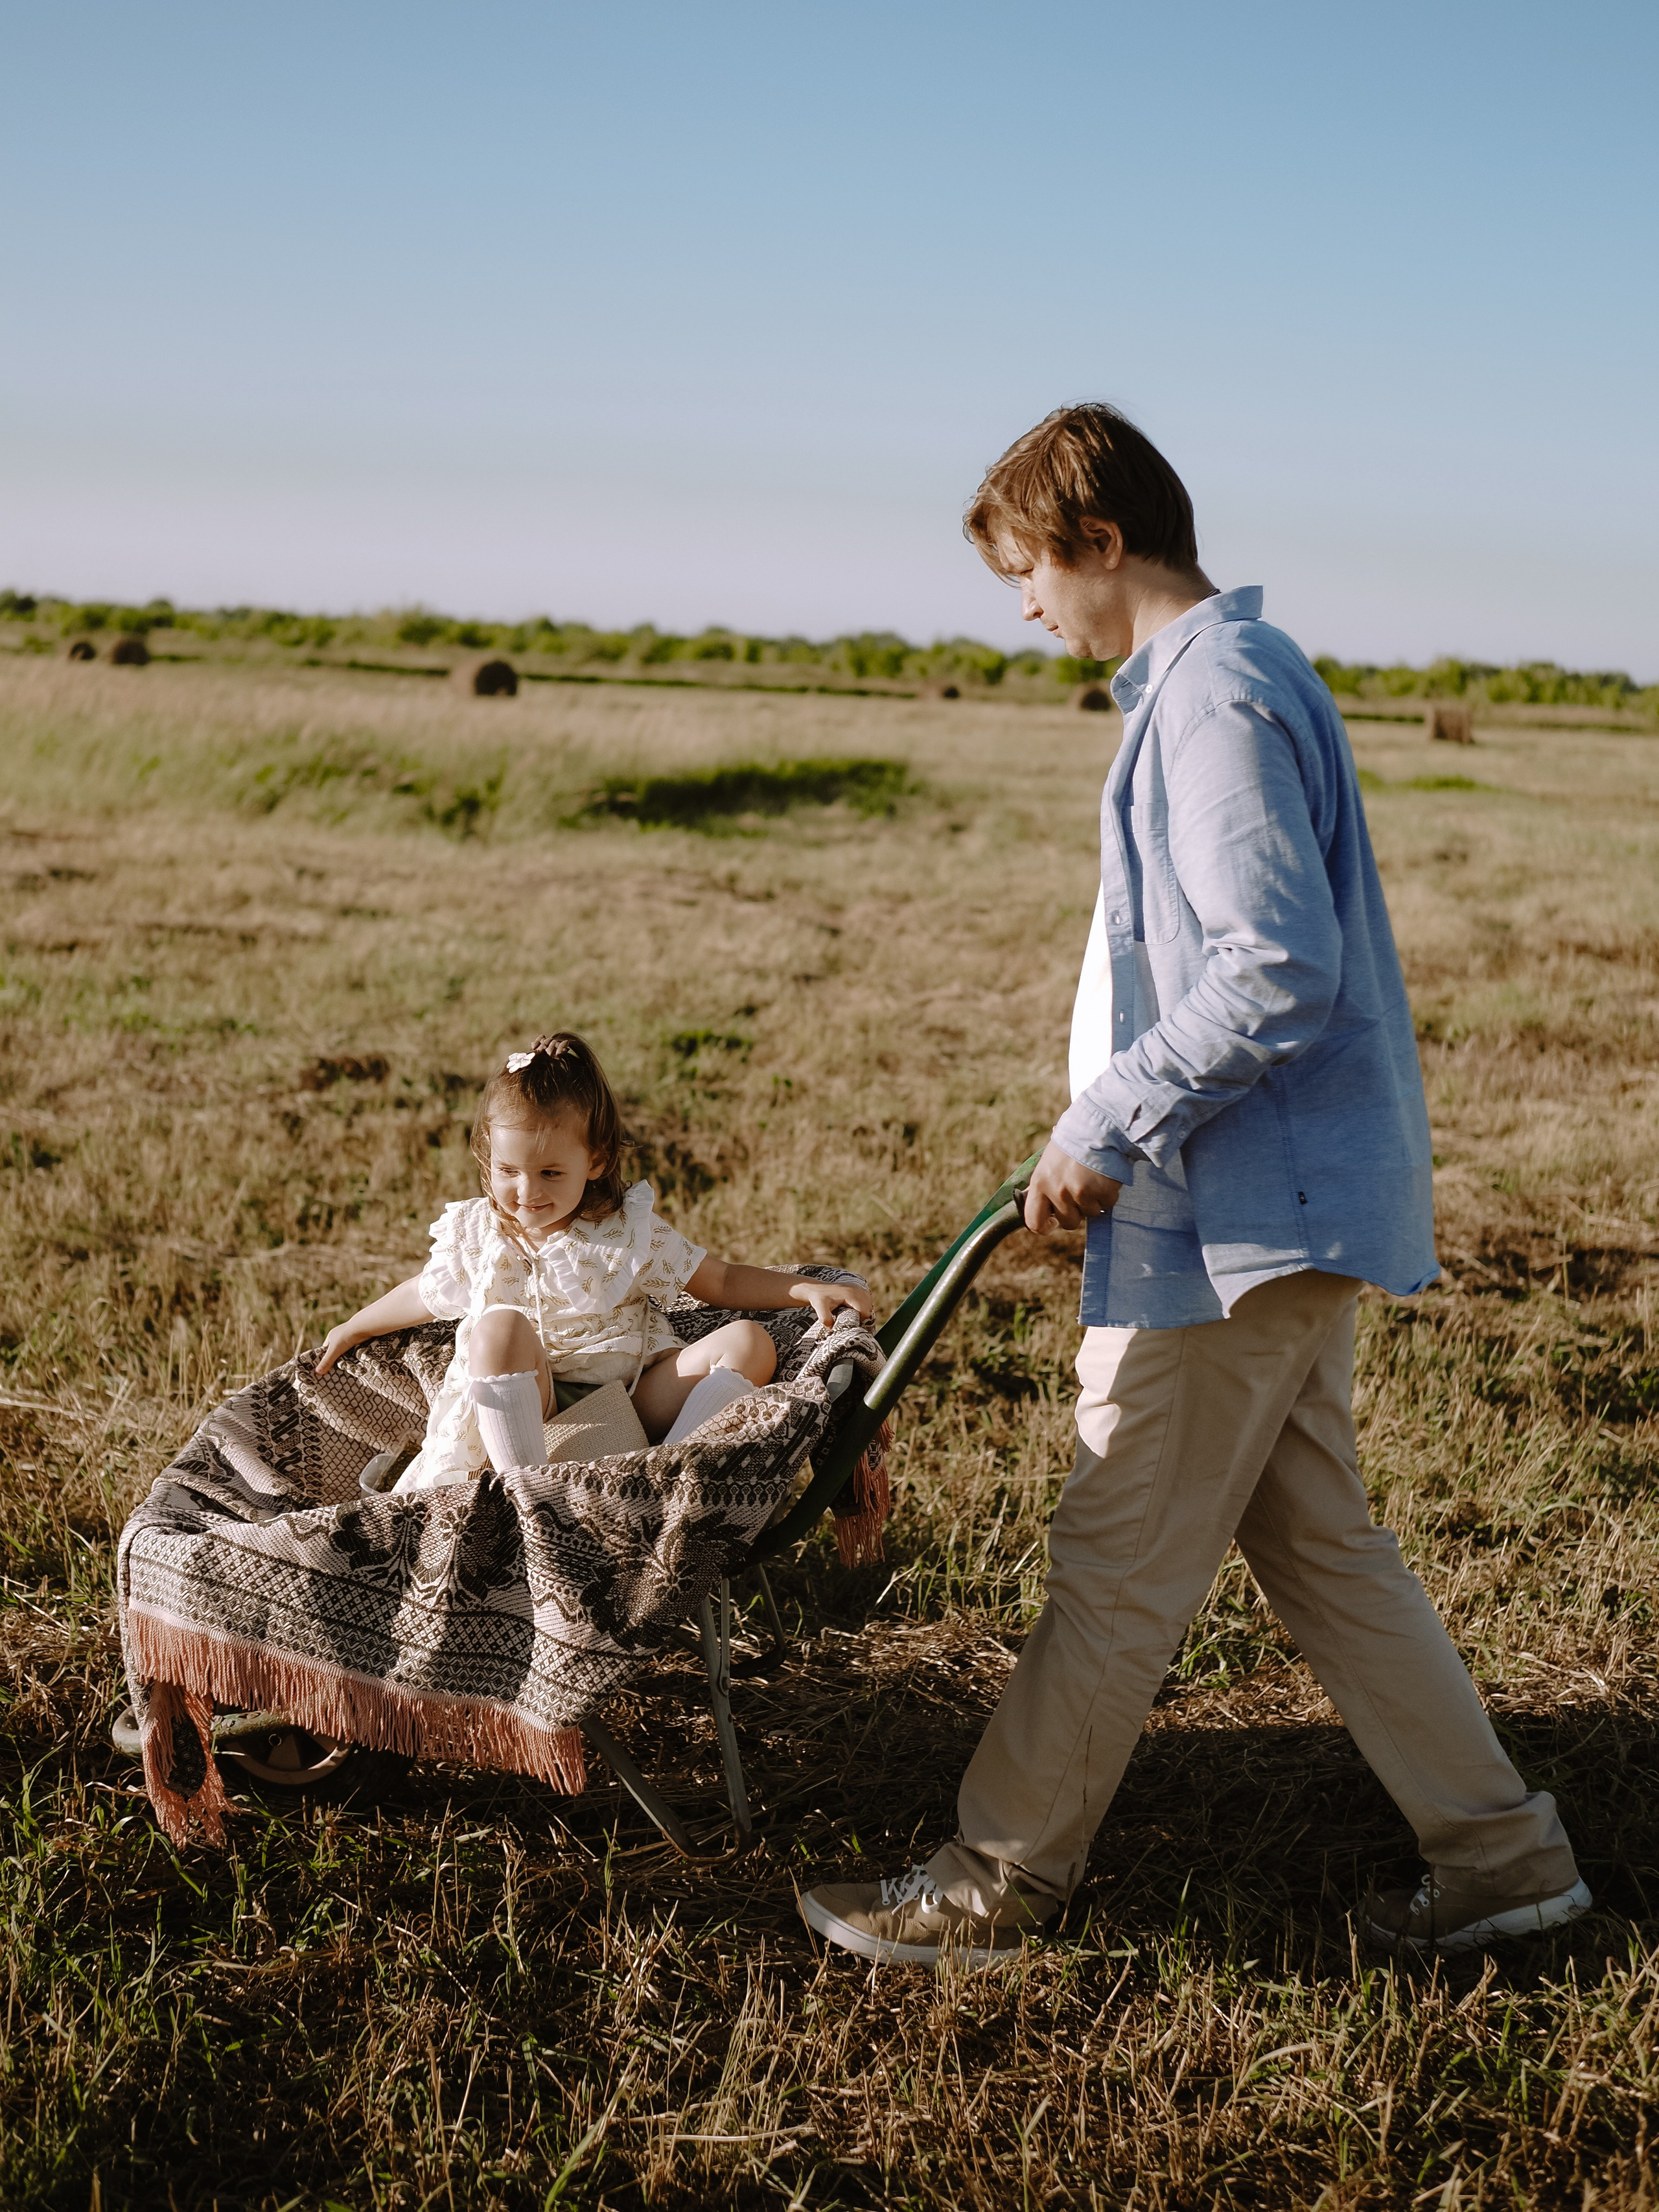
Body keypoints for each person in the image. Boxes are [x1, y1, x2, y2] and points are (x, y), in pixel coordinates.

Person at [799, 403, 1590, 1967]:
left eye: (1027, 566)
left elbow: (1273, 965)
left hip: (1242, 1216)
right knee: (1319, 1547)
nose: (1021, 602)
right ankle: (1499, 1857)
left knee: (1115, 1548)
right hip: (1259, 1208)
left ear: (1097, 540)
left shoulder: (1214, 694)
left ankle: (990, 1879)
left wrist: (1106, 1116)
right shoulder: (1209, 682)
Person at [316, 1030, 870, 1485]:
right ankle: (531, 1498)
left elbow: (720, 1280)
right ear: (488, 1158)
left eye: (551, 1173)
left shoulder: (627, 1230)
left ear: (597, 1160)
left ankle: (665, 1480)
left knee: (749, 1341)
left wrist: (802, 1290)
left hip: (629, 1400)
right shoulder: (480, 1235)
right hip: (536, 1408)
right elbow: (423, 1291)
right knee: (497, 1328)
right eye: (508, 1171)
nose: (527, 1191)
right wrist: (353, 1327)